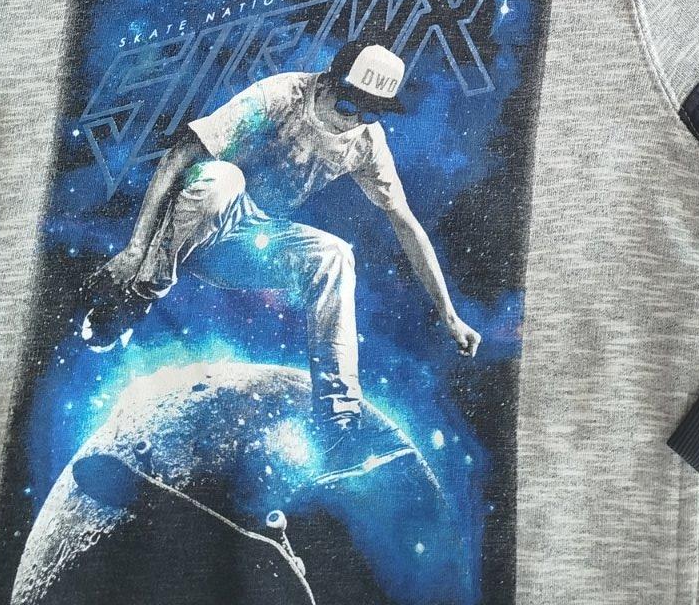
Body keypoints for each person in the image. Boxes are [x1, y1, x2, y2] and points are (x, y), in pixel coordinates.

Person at [83, 40, 480, 465]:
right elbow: (181, 155)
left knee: (335, 256)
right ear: (326, 84)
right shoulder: (280, 96)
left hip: (248, 244)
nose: (352, 123)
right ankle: (141, 294)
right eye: (348, 107)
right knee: (223, 179)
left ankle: (337, 425)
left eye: (369, 115)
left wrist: (449, 314)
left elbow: (405, 223)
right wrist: (136, 249)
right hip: (191, 222)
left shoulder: (366, 142)